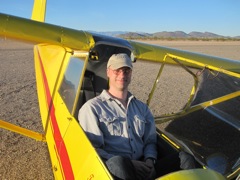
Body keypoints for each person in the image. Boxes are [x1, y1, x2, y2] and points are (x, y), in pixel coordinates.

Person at [78, 53, 196, 179]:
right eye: (117, 70)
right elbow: (93, 149)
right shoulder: (92, 108)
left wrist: (150, 161)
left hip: (144, 166)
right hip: (112, 171)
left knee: (185, 158)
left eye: (126, 70)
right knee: (118, 163)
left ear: (131, 73)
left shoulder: (142, 108)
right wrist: (130, 164)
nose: (122, 75)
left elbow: (150, 142)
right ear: (108, 72)